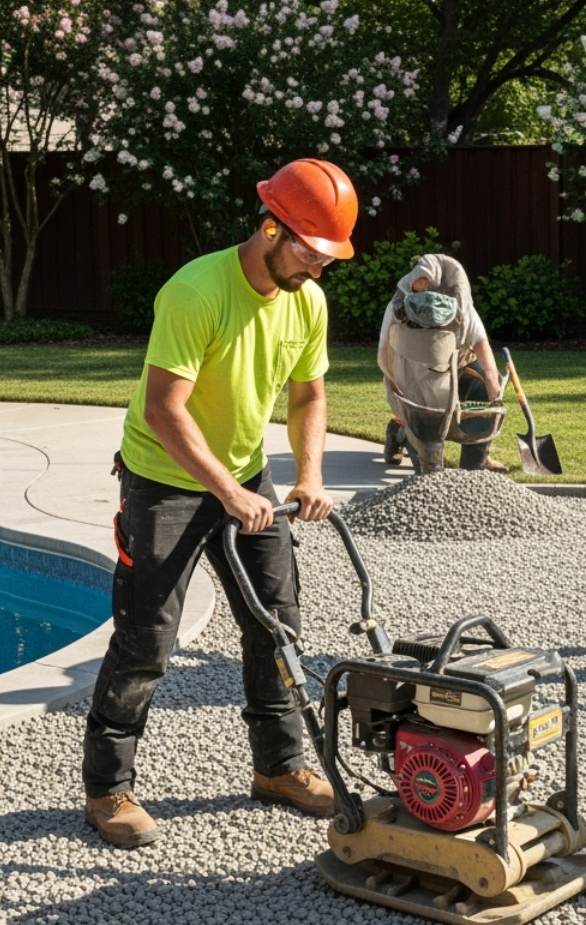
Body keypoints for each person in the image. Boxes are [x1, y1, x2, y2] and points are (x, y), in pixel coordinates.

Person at [82, 158, 357, 848]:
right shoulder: (195, 291)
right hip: (164, 478)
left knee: (277, 627)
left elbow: (309, 395)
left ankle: (279, 768)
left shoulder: (307, 301)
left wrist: (310, 476)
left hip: (247, 477)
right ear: (271, 228)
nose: (320, 270)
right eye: (312, 253)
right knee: (148, 639)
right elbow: (163, 409)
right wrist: (226, 492)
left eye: (329, 258)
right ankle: (108, 788)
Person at [377, 253, 506, 473]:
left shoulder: (464, 311)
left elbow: (483, 350)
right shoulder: (398, 309)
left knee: (484, 390)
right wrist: (393, 381)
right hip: (413, 371)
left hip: (459, 365)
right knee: (422, 427)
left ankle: (476, 461)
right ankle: (398, 432)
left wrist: (492, 385)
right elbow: (383, 353)